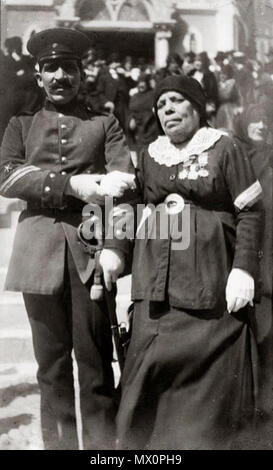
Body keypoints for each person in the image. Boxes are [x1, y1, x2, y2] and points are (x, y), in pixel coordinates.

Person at [0, 28, 135, 450]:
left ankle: (100, 452)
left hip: (90, 256)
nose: (60, 76)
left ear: (82, 74)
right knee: (50, 371)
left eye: (68, 68)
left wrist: (116, 248)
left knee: (95, 367)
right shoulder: (21, 125)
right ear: (38, 76)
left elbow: (125, 189)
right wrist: (72, 186)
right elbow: (7, 175)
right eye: (51, 68)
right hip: (37, 256)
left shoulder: (104, 123)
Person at [116, 75, 263, 450]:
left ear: (197, 109)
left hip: (209, 284)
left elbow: (250, 212)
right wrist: (115, 249)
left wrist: (243, 269)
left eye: (176, 101)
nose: (167, 110)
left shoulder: (225, 148)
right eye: (161, 105)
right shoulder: (151, 154)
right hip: (156, 284)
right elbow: (134, 208)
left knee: (208, 389)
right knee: (147, 375)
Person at [233, 104, 273, 443]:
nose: (260, 125)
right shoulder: (239, 157)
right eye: (255, 120)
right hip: (250, 270)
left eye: (266, 120)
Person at [128, 74, 158, 158]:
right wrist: (131, 119)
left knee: (151, 153)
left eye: (143, 82)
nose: (141, 85)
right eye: (139, 83)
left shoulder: (153, 94)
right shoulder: (134, 96)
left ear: (147, 83)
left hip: (150, 127)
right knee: (140, 153)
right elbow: (130, 110)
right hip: (138, 129)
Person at [215, 64, 241, 132]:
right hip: (220, 108)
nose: (222, 76)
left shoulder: (232, 83)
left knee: (230, 126)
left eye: (224, 74)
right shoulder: (219, 84)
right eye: (220, 73)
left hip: (230, 108)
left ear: (229, 75)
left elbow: (236, 97)